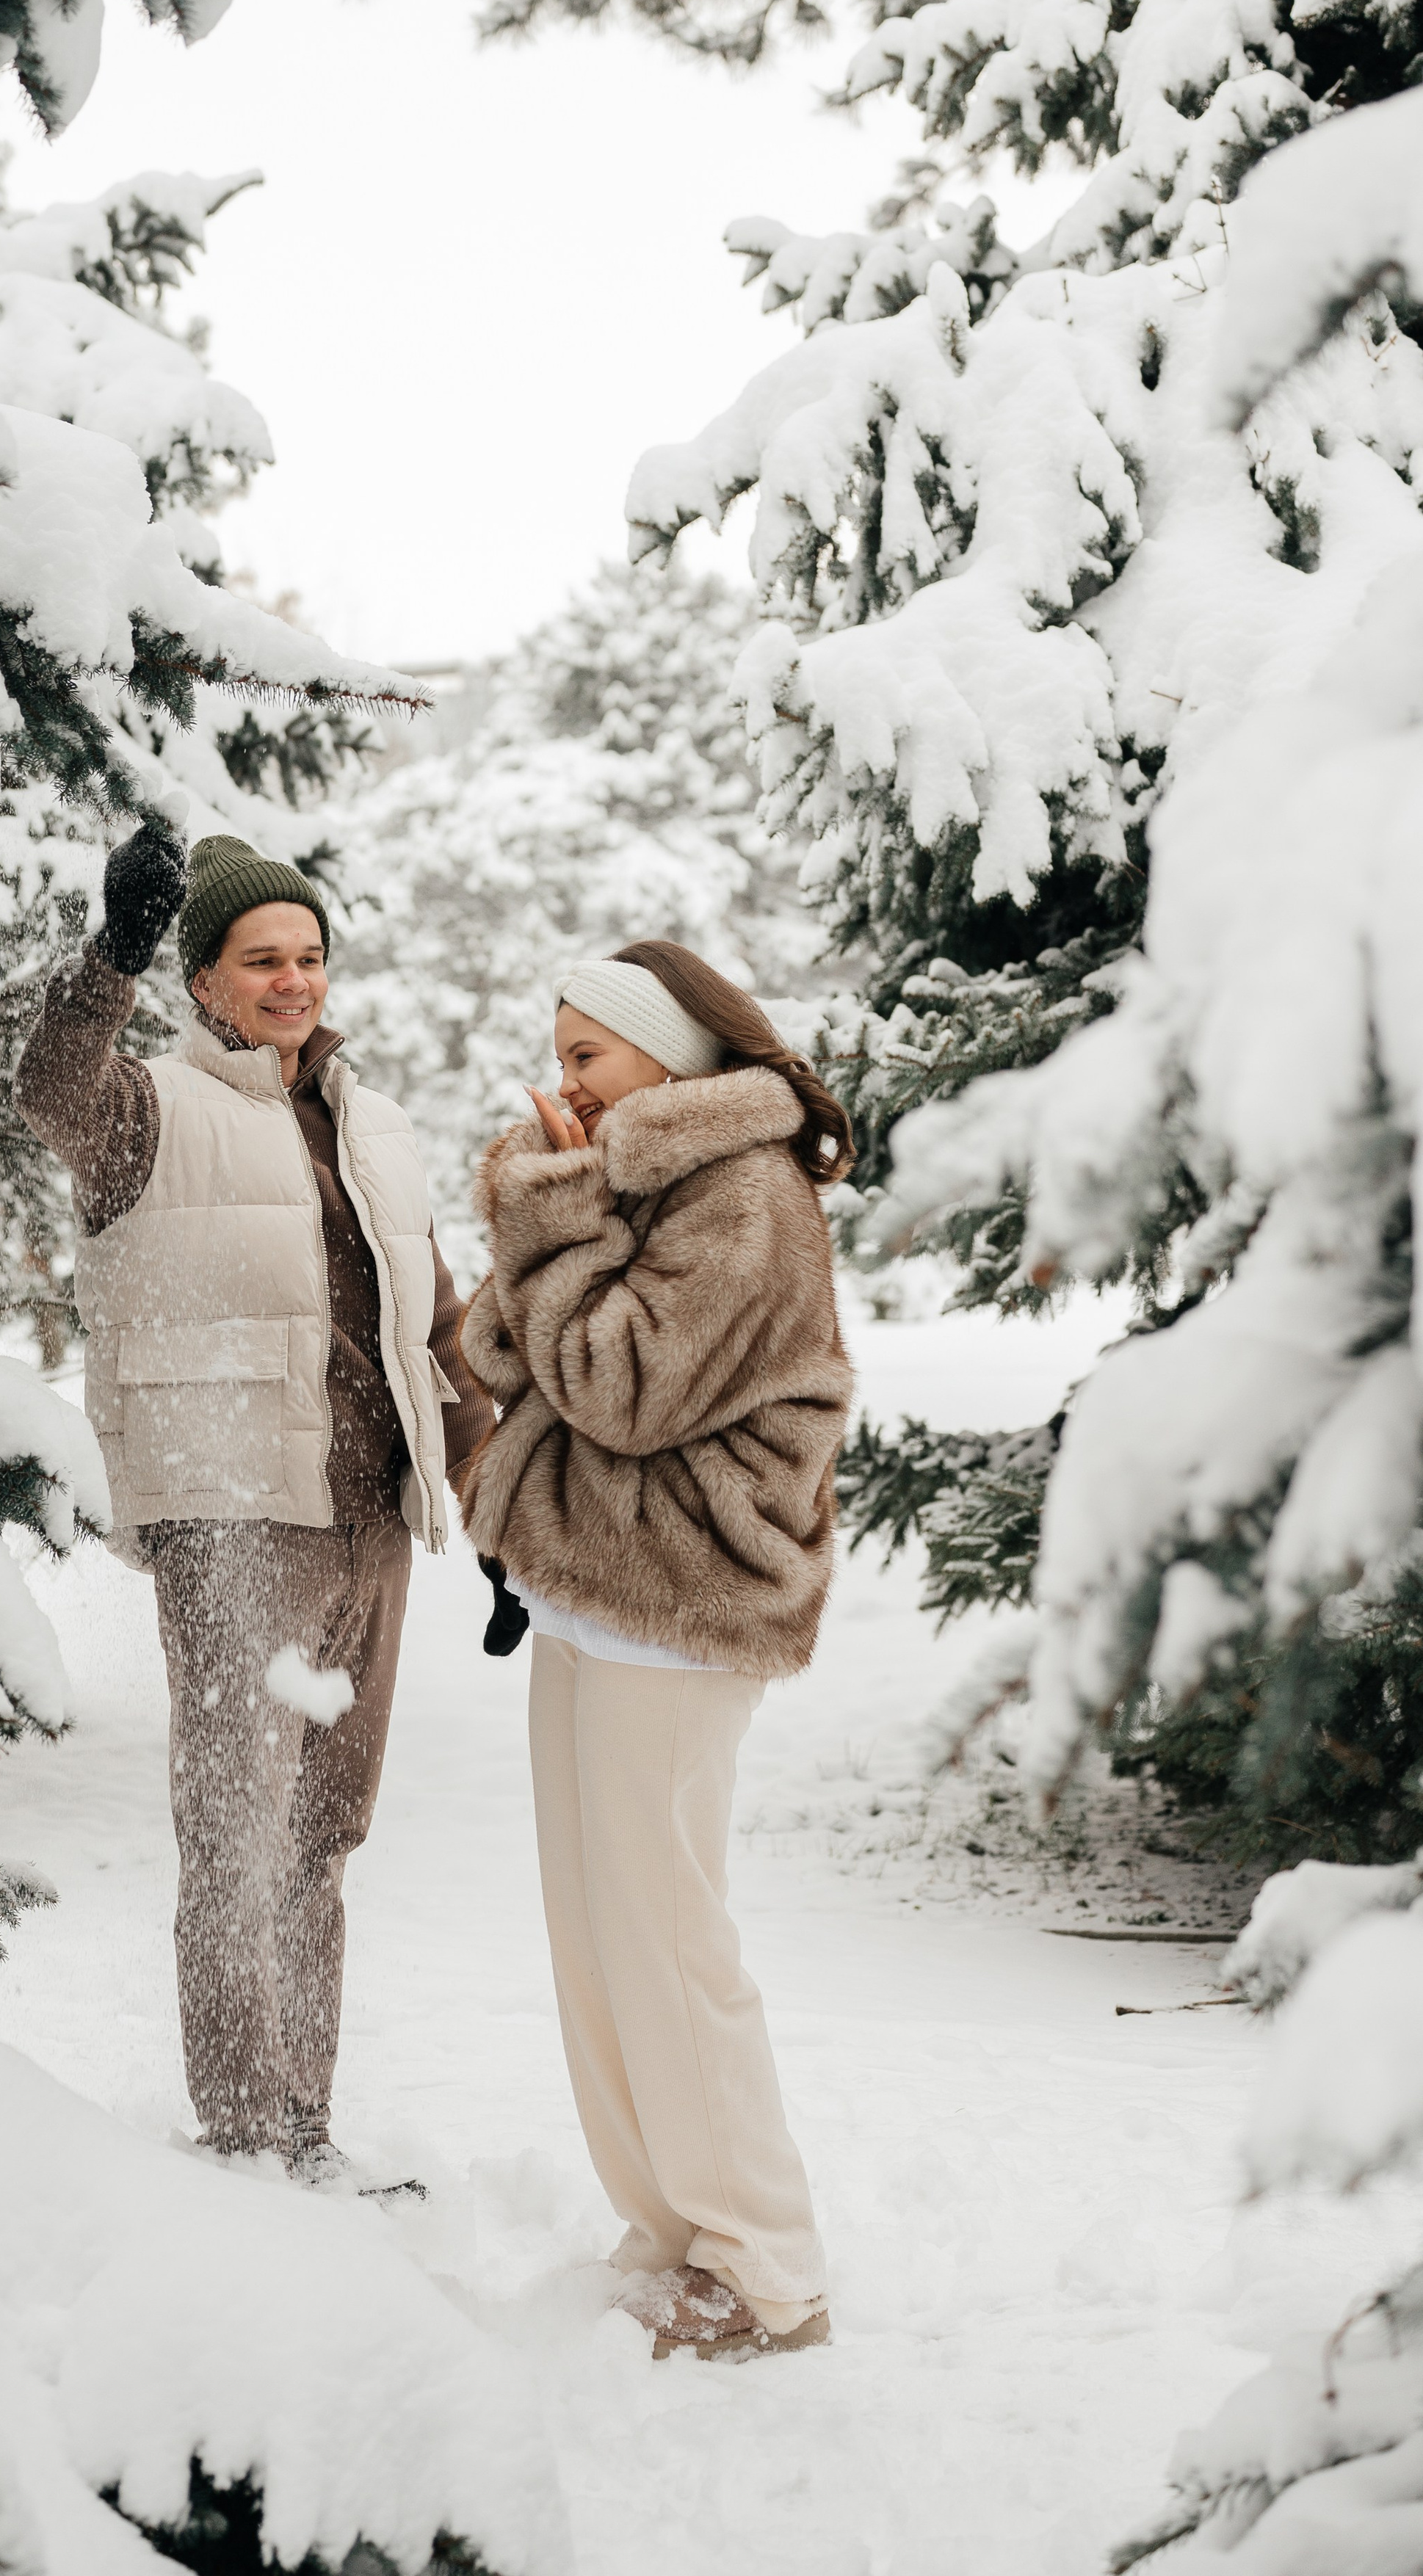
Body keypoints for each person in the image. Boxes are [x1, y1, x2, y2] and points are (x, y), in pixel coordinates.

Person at [15, 823, 493, 2182]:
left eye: (310, 956)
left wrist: (484, 1486)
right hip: (236, 1515)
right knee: (237, 1834)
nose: (294, 982)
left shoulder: (371, 1124)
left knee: (323, 1837)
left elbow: (433, 1330)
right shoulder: (148, 1111)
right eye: (260, 960)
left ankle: (305, 2129)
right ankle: (241, 2140)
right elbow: (50, 1084)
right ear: (203, 982)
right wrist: (108, 954)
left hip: (369, 1521)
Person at [458, 940, 855, 2360]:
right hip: (589, 1585)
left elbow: (615, 1389)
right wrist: (553, 1202)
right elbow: (503, 1358)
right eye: (558, 1052)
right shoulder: (632, 1177)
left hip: (686, 1595)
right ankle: (672, 2227)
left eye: (588, 1056)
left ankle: (766, 2266)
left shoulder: (743, 1192)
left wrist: (551, 1206)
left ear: (672, 1062)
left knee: (672, 1938)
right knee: (598, 1935)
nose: (561, 1080)